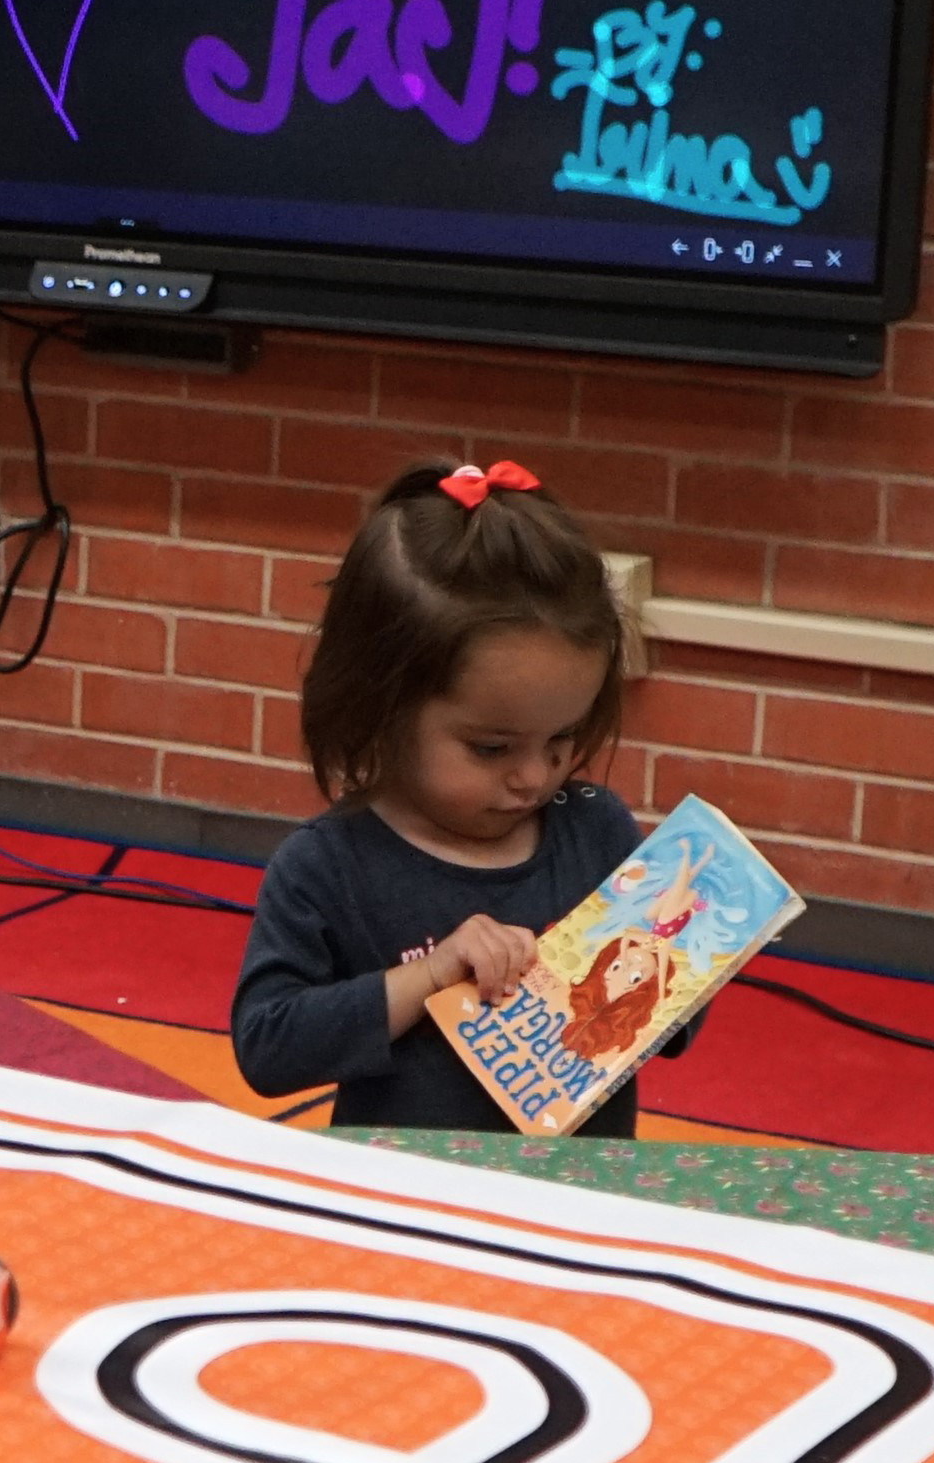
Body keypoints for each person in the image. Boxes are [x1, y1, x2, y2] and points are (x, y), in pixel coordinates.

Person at [227, 458, 682, 1135]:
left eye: (562, 737)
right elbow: (267, 1046)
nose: (533, 776)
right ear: (378, 708)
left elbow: (667, 1029)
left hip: (575, 1205)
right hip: (402, 1208)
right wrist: (431, 976)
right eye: (491, 747)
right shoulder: (329, 865)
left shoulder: (596, 831)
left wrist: (692, 942)